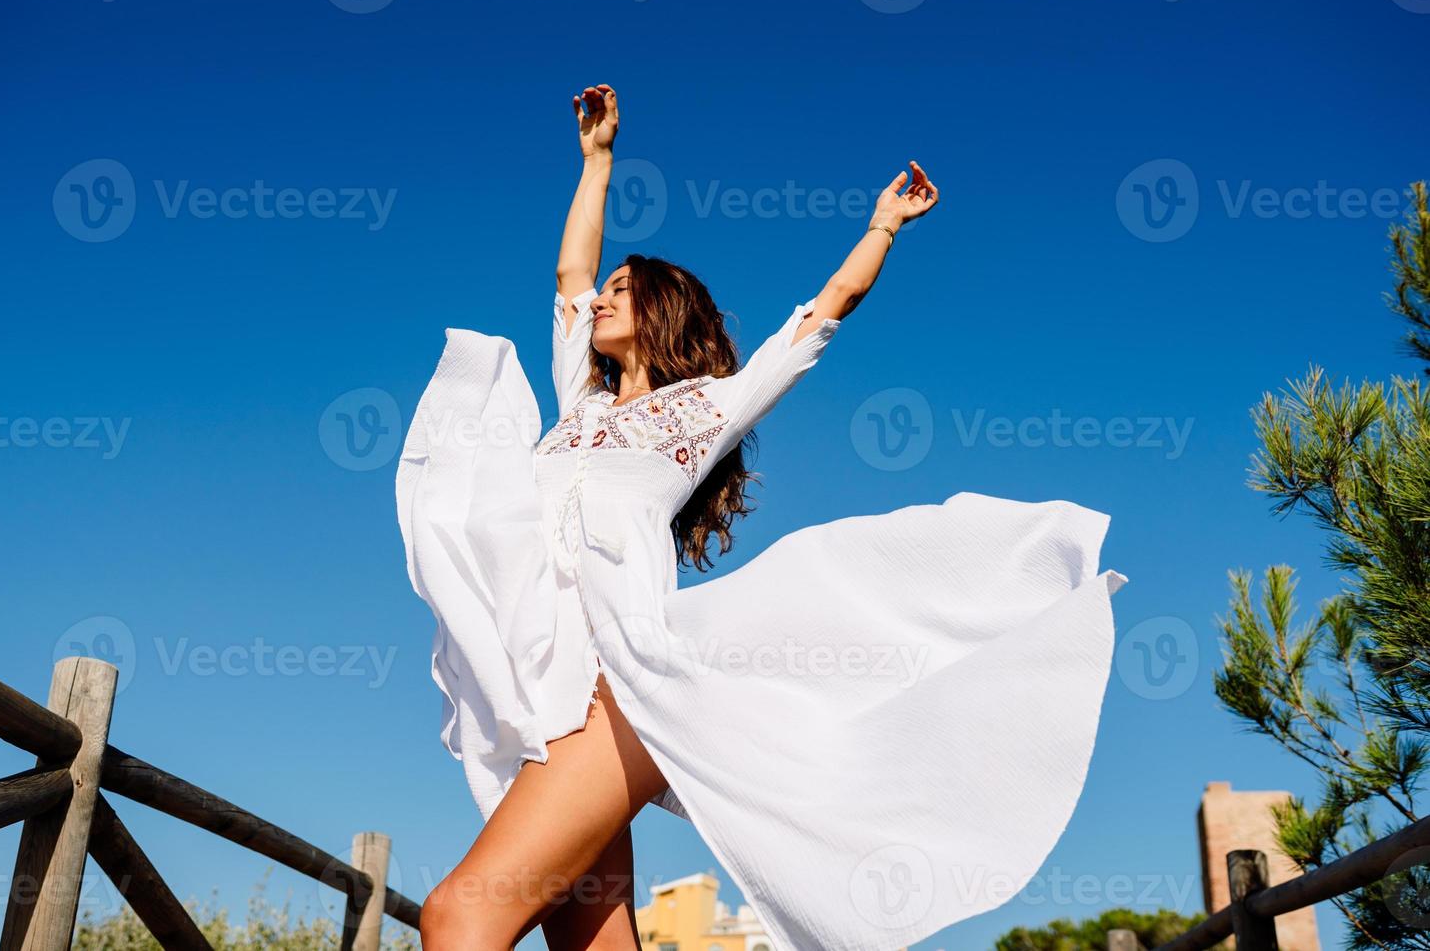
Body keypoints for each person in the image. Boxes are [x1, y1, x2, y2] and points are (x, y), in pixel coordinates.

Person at [396, 83, 1125, 951]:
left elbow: (820, 319)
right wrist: (597, 163)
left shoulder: (703, 412)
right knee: (590, 939)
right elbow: (569, 278)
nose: (601, 301)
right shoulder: (577, 406)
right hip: (550, 698)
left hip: (616, 690)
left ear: (663, 310)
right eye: (605, 291)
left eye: (623, 290)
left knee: (458, 915)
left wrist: (883, 227)